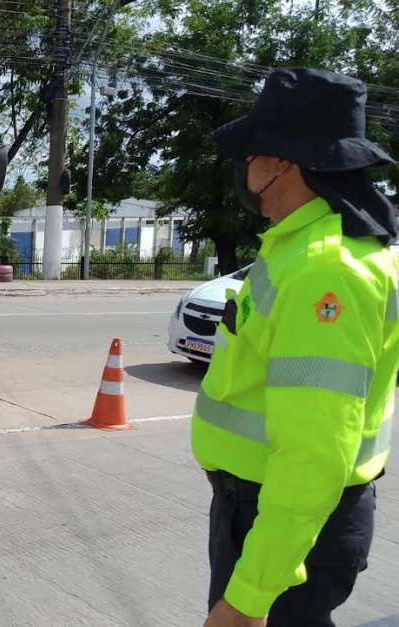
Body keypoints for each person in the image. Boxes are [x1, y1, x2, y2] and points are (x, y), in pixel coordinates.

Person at [194, 66, 399, 627]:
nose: (244, 167)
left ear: (280, 161)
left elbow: (313, 455)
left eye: (250, 153)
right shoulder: (305, 248)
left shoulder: (324, 271)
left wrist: (249, 597)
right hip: (272, 516)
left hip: (285, 525)